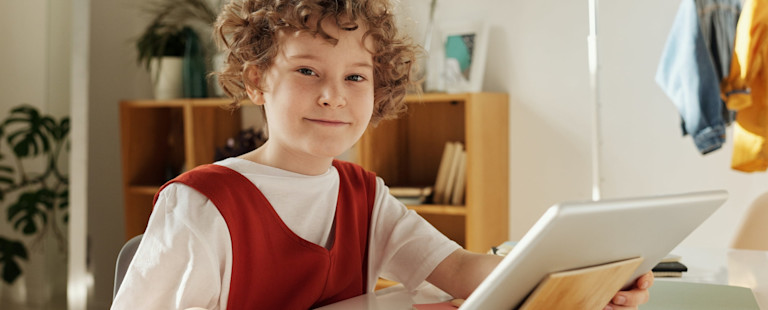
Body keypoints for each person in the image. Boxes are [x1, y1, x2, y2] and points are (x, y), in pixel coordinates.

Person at [111, 0, 654, 309]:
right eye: (307, 71)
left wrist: (586, 282)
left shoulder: (365, 196)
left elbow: (462, 269)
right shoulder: (202, 206)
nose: (334, 95)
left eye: (355, 76)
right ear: (256, 80)